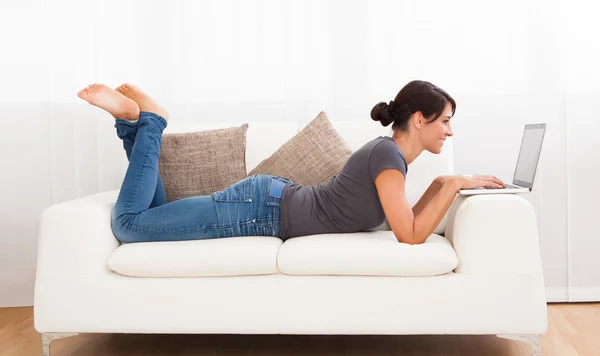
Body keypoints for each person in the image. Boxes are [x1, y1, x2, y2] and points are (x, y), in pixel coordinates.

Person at [77, 80, 504, 245]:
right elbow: (409, 235)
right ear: (419, 119)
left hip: (265, 203)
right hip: (256, 211)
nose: (449, 131)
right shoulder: (387, 156)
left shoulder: (389, 156)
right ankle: (151, 124)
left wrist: (449, 181)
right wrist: (454, 184)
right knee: (128, 224)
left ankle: (135, 126)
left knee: (147, 215)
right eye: (445, 121)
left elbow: (404, 216)